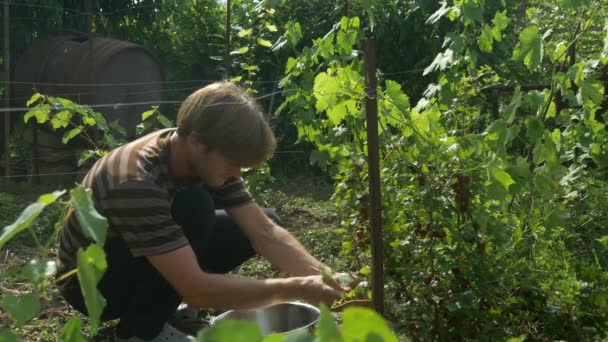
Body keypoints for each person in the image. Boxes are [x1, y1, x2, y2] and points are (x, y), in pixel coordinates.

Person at [56, 81, 354, 342]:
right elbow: (195, 288)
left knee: (253, 224)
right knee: (196, 208)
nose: (237, 172)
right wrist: (300, 288)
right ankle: (139, 331)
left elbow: (264, 232)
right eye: (233, 161)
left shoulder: (196, 153)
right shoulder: (135, 181)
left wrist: (329, 281)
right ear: (197, 142)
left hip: (136, 253)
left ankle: (165, 310)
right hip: (92, 284)